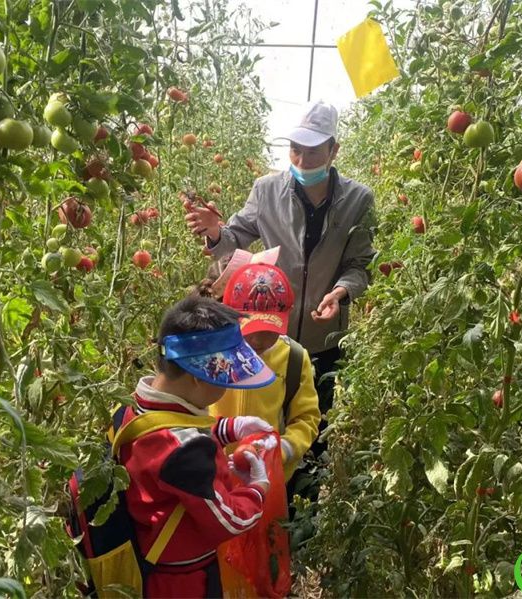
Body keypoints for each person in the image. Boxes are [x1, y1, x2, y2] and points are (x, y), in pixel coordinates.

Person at [184, 100, 376, 458]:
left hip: (324, 337)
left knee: (314, 425)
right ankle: (256, 490)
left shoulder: (358, 200)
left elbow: (360, 265)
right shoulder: (267, 190)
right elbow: (234, 236)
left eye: (313, 152)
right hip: (267, 334)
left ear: (334, 150)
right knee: (261, 418)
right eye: (296, 150)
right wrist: (214, 232)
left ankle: (303, 498)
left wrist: (340, 292)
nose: (302, 161)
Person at [118, 295, 279, 598]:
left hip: (149, 555)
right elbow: (228, 521)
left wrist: (229, 428)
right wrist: (257, 487)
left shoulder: (134, 405)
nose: (229, 386)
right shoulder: (187, 452)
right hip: (181, 580)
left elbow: (169, 433)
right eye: (226, 379)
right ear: (198, 378)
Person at [207, 262, 320, 482]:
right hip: (211, 474)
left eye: (269, 331)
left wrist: (284, 448)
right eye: (249, 329)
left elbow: (306, 418)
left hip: (268, 477)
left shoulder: (294, 358)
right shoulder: (213, 353)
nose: (258, 340)